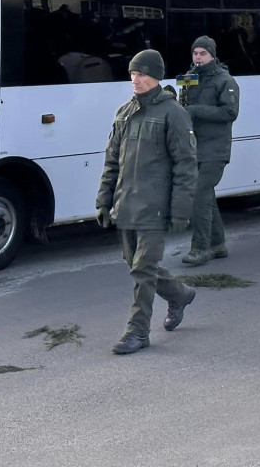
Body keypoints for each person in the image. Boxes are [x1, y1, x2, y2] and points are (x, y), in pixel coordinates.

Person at [95, 49, 198, 355]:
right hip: (126, 204)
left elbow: (186, 164)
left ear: (156, 76)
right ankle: (179, 294)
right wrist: (103, 201)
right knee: (136, 266)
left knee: (142, 270)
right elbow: (112, 161)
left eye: (141, 74)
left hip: (155, 206)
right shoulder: (125, 112)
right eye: (132, 74)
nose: (135, 80)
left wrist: (180, 209)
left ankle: (137, 332)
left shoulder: (174, 113)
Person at [180, 36, 240, 267]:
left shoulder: (226, 80)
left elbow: (229, 112)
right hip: (195, 146)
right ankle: (218, 244)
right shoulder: (190, 77)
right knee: (206, 198)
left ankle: (200, 247)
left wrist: (194, 110)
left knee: (199, 195)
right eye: (195, 53)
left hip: (216, 149)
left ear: (213, 55)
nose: (198, 58)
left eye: (203, 54)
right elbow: (183, 105)